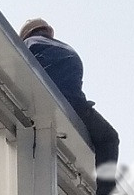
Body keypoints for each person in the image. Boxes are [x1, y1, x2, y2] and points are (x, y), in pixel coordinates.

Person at [19, 18, 120, 179]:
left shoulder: (27, 45)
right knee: (109, 138)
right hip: (75, 104)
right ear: (47, 31)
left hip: (43, 96)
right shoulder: (64, 48)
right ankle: (106, 186)